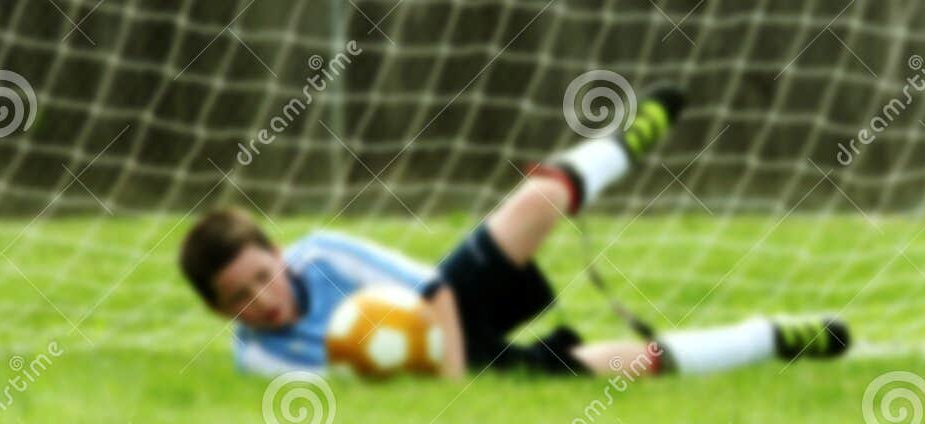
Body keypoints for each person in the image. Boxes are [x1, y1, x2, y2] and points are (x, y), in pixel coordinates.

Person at [178, 84, 848, 380]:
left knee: (538, 199)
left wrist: (451, 381)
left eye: (261, 276)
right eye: (239, 297)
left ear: (277, 252)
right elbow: (351, 396)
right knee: (632, 368)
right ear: (217, 310)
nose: (262, 300)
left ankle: (627, 139)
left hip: (449, 312)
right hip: (441, 370)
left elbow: (435, 287)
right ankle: (774, 340)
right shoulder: (257, 360)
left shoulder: (321, 253)